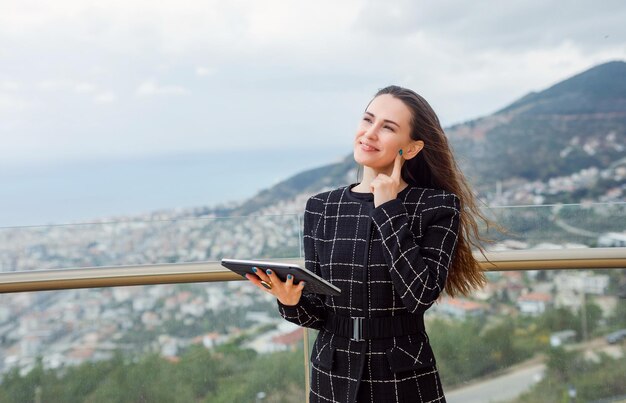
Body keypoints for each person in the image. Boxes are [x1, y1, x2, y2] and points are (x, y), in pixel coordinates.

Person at [246, 85, 500, 402]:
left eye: (388, 127)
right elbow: (320, 315)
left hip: (402, 376)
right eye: (368, 120)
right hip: (332, 375)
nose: (370, 133)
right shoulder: (321, 207)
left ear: (411, 148)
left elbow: (420, 295)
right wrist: (290, 301)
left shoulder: (437, 207)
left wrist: (388, 208)